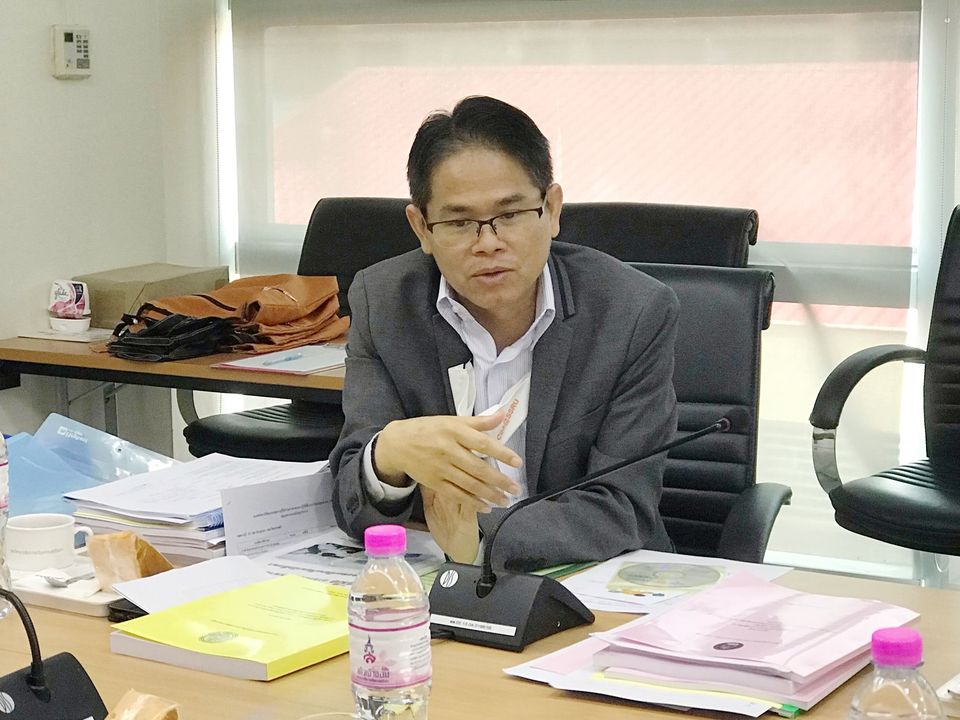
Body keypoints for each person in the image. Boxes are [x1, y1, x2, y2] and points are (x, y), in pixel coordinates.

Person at [330, 96, 679, 571]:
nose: (489, 243)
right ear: (422, 228)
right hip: (431, 578)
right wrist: (386, 455)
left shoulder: (632, 311)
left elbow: (624, 505)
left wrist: (480, 544)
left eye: (511, 215)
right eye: (459, 222)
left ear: (551, 210)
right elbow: (353, 502)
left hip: (591, 576)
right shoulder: (384, 303)